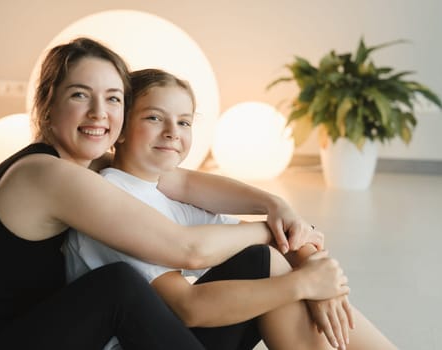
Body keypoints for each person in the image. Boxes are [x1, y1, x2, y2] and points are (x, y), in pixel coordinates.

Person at [0, 37, 323, 350]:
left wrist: (275, 205)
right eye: (80, 95)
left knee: (254, 264)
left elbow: (180, 180)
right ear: (46, 104)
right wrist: (272, 229)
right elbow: (188, 251)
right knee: (118, 288)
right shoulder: (46, 175)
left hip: (18, 334)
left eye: (112, 99)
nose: (99, 113)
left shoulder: (85, 166)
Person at [66, 68, 397, 350]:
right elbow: (188, 309)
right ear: (121, 128)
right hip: (143, 340)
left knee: (267, 258)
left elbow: (268, 239)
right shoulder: (110, 196)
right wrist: (306, 283)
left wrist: (319, 275)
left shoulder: (162, 194)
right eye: (154, 118)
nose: (172, 132)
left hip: (173, 334)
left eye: (184, 122)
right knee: (265, 263)